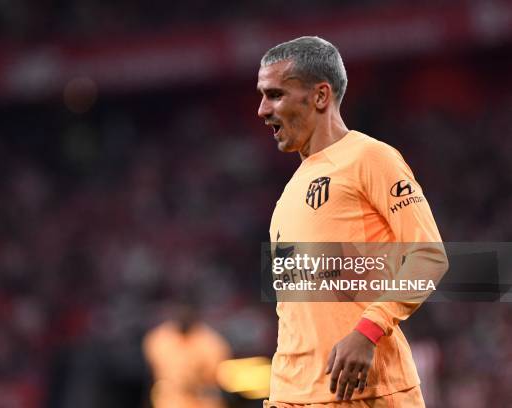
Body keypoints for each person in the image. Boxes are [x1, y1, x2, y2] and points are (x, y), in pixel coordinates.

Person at [256, 36, 448, 407]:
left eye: (275, 94)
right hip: (293, 393)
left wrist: (368, 330)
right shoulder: (290, 191)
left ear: (320, 96)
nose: (262, 109)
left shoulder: (370, 158)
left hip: (366, 391)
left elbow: (429, 256)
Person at [143, 299, 231, 408]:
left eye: (187, 313)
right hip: (170, 399)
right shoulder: (159, 338)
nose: (183, 317)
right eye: (180, 313)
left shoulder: (211, 342)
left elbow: (218, 377)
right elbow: (153, 370)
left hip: (202, 400)